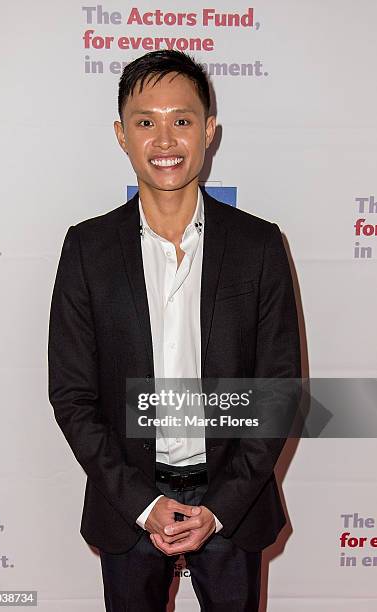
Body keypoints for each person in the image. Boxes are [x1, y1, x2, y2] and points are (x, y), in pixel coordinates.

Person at [48, 49, 301, 611]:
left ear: (209, 131)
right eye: (146, 122)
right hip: (128, 505)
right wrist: (142, 503)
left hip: (233, 503)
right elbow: (72, 395)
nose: (165, 140)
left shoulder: (259, 246)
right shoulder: (87, 249)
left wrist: (219, 507)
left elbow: (278, 393)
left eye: (181, 120)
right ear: (121, 134)